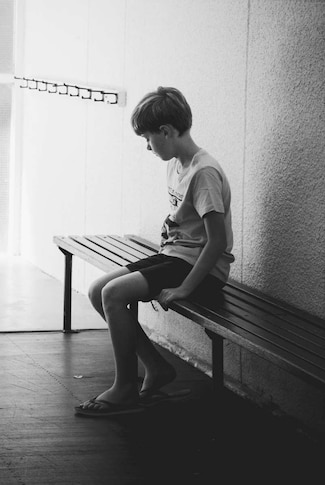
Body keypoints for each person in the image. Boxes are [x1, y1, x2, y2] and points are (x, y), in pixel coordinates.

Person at [75, 86, 235, 417]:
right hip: (175, 257)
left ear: (166, 131)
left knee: (114, 294)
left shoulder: (203, 172)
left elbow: (216, 241)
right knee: (97, 290)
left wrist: (185, 288)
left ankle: (124, 387)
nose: (147, 146)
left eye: (148, 138)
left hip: (199, 270)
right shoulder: (177, 164)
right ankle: (156, 368)